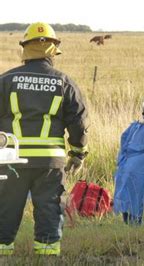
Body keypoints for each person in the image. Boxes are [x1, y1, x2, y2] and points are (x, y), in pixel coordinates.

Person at [0, 23, 88, 256]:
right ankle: (47, 256)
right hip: (50, 162)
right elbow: (77, 123)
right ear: (53, 50)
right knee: (49, 209)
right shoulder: (64, 83)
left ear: (25, 49)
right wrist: (78, 153)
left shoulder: (6, 80)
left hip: (11, 160)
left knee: (5, 208)